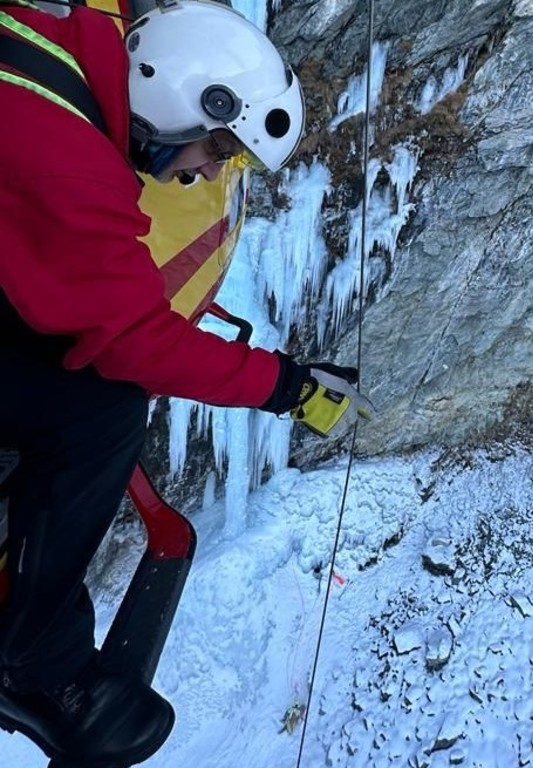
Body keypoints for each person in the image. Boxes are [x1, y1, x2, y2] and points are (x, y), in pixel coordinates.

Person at [0, 0, 372, 764]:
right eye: (216, 150)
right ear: (178, 102)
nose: (206, 172)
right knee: (99, 409)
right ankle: (39, 671)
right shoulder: (76, 169)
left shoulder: (50, 50)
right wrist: (289, 385)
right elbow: (137, 342)